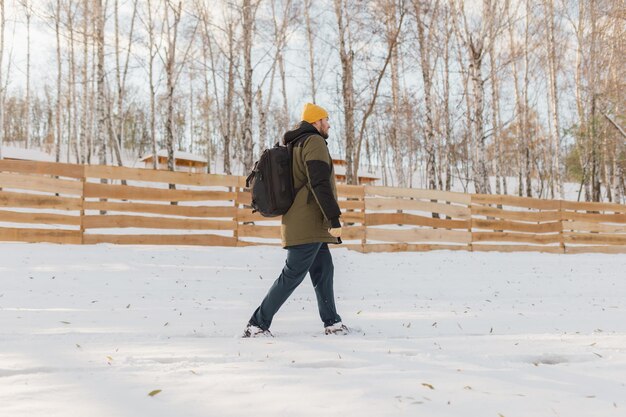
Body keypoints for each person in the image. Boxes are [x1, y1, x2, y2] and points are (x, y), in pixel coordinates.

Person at [243, 103, 349, 337]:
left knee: (324, 270)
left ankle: (332, 322)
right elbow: (319, 182)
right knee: (292, 275)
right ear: (316, 122)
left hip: (305, 222)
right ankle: (257, 324)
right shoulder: (314, 142)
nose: (328, 124)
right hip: (307, 222)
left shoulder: (295, 144)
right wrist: (334, 218)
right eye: (326, 119)